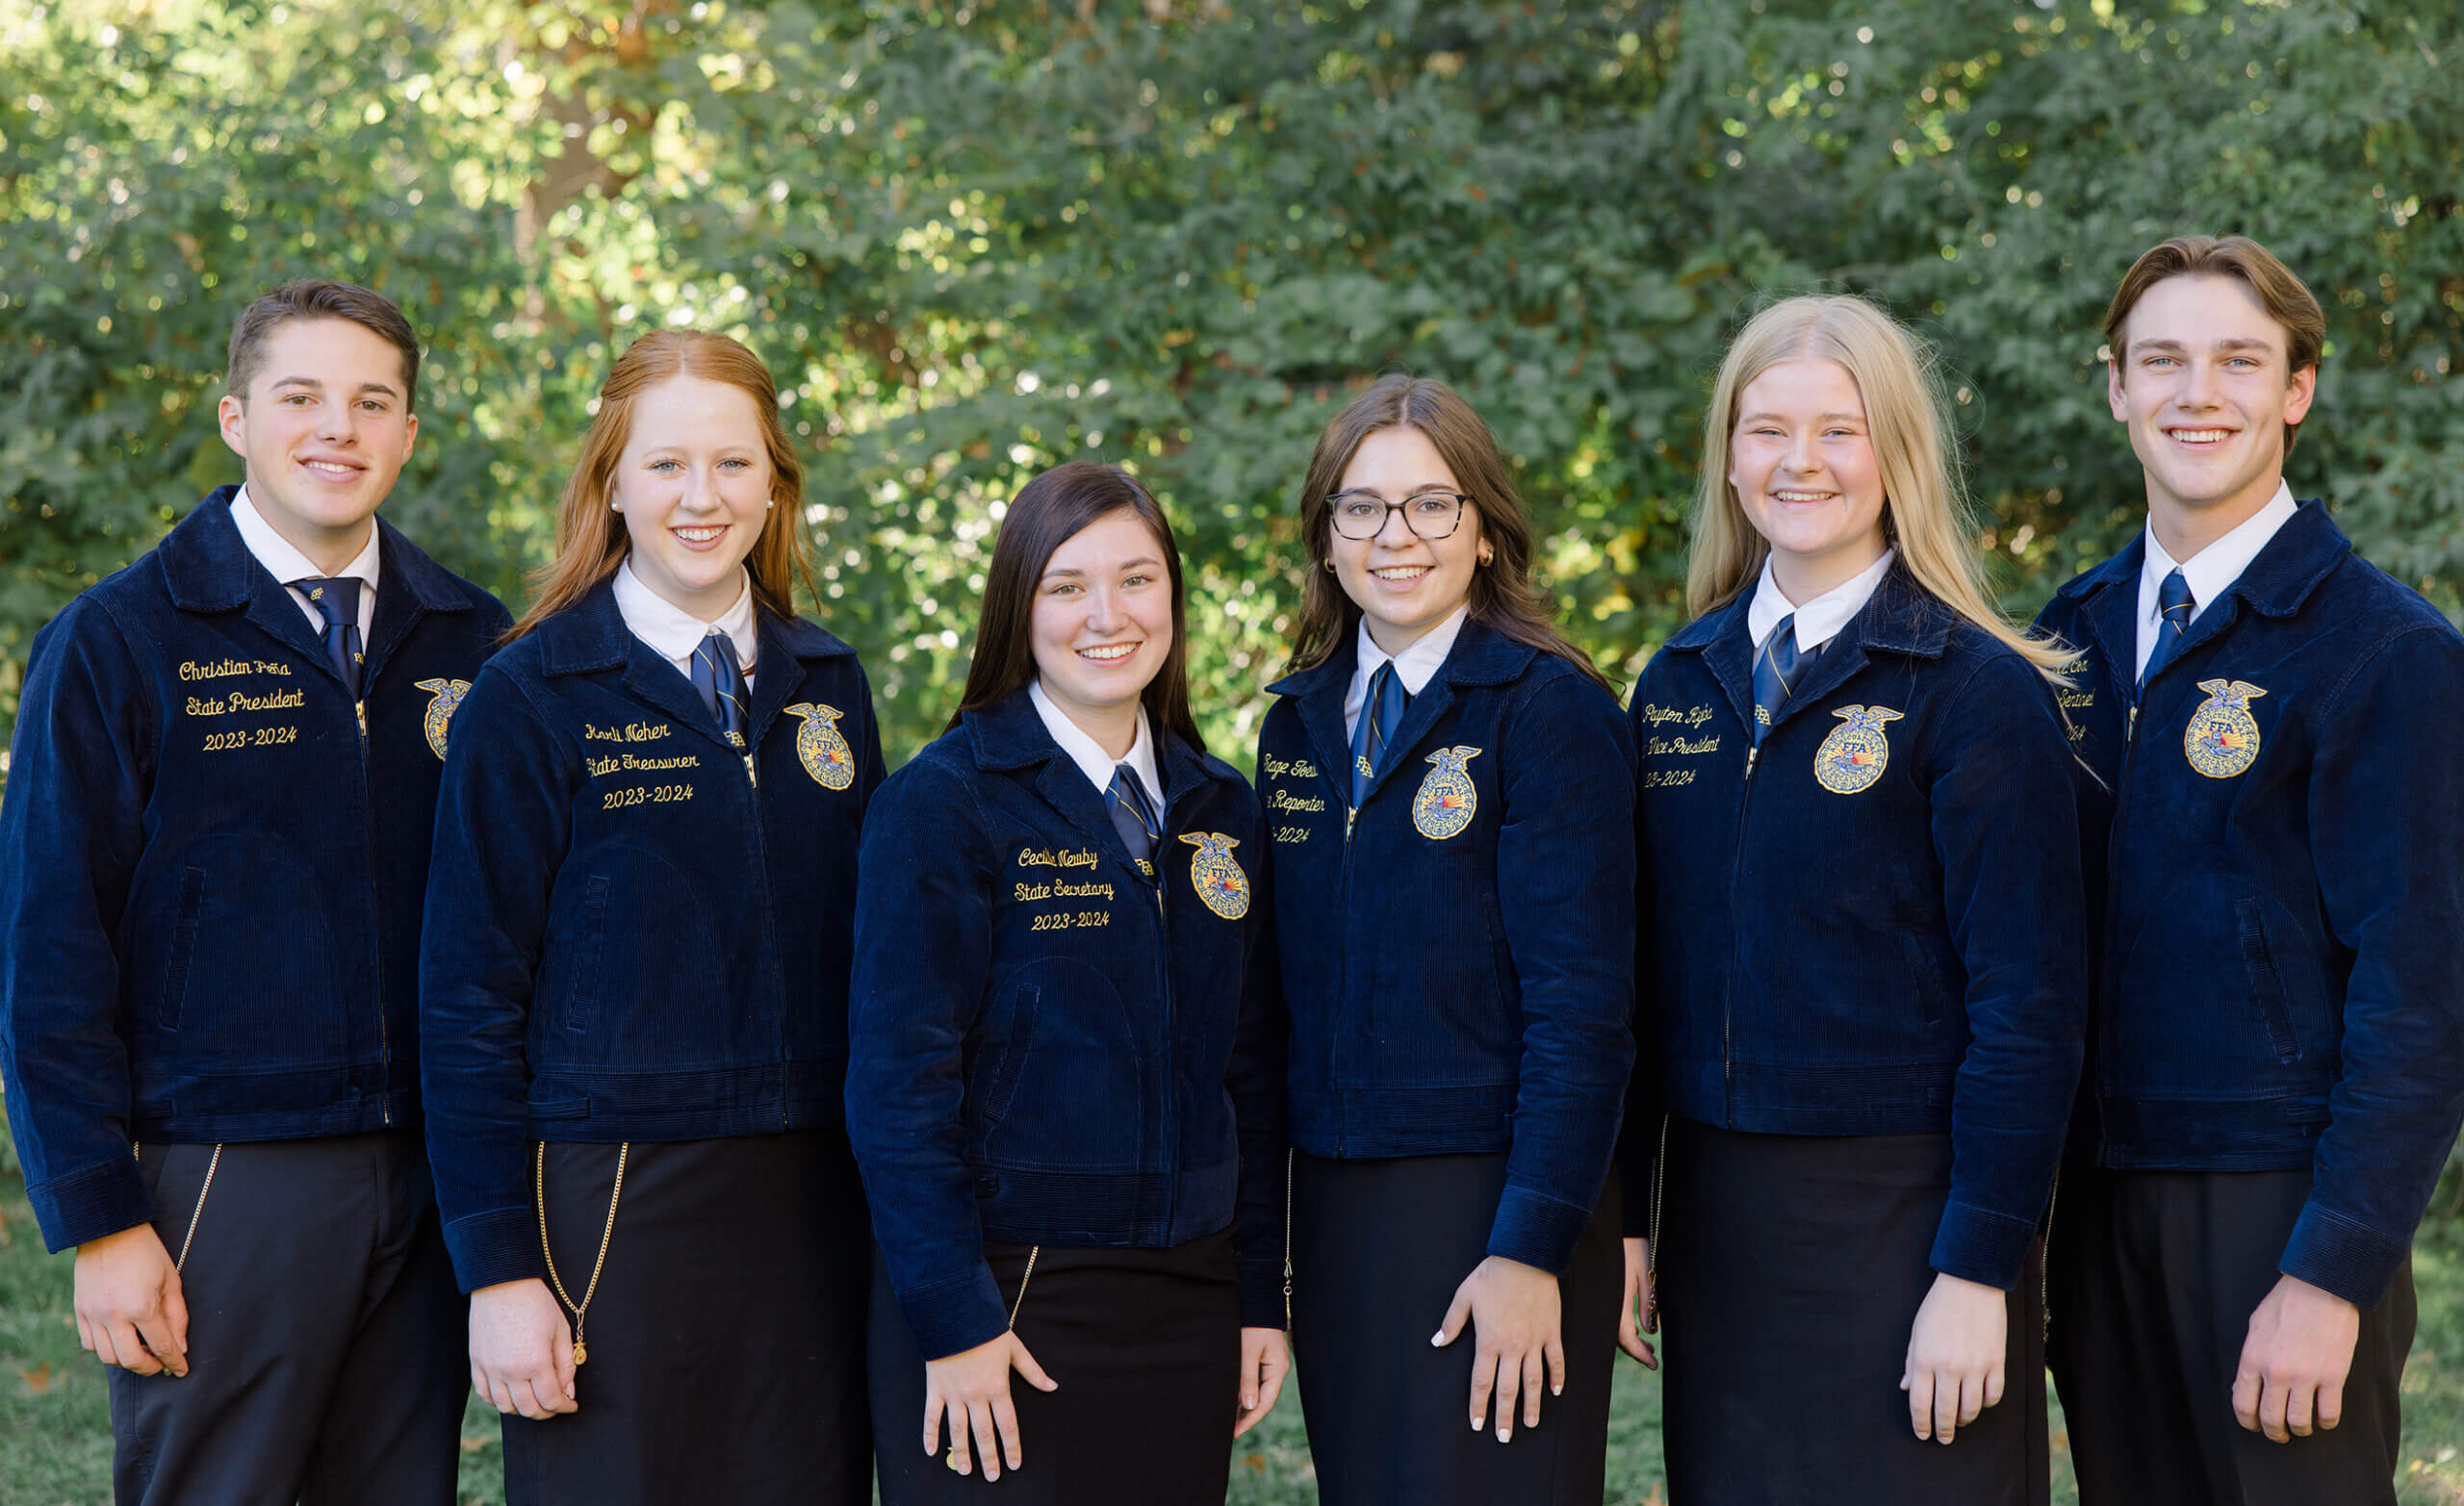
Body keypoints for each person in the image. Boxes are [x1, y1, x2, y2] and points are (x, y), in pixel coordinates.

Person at [0, 279, 505, 1503]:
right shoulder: (122, 639)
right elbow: (45, 945)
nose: (337, 427)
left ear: (407, 434)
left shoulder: (473, 641)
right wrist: (102, 1218)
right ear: (236, 418)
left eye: (371, 401)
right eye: (301, 397)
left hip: (431, 1168)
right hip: (225, 1170)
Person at [1618, 294, 2086, 1504]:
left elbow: (2027, 1010)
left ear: (1897, 453)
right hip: (1720, 1225)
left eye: (1839, 430)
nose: (1800, 462)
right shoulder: (1677, 683)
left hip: (1907, 1217)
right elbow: (1629, 980)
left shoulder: (1976, 692)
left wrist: (1980, 1272)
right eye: (1767, 430)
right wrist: (1627, 1218)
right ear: (1728, 455)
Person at [418, 330, 882, 1504]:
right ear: (611, 481)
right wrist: (500, 1271)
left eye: (732, 464)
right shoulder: (529, 695)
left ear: (773, 482)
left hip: (817, 1200)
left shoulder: (828, 680)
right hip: (614, 1201)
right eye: (667, 464)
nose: (701, 496)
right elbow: (466, 998)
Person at [2036, 234, 2464, 1506]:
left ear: (2297, 389)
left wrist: (2332, 1269)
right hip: (2099, 1210)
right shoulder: (2068, 637)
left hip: (2277, 1211)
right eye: (2161, 359)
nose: (2195, 392)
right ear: (2114, 385)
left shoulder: (2387, 653)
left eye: (2238, 360)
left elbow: (2425, 995)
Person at [848, 461, 1288, 1504]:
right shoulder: (944, 804)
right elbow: (897, 1087)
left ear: (1173, 600)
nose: (1107, 614)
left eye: (1137, 580)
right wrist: (954, 1321)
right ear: (1018, 606)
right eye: (1067, 584)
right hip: (1009, 1297)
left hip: (1188, 1298)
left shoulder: (1220, 809)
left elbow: (1253, 1069)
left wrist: (1259, 1294)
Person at [1256, 373, 1635, 1503]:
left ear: (1483, 531)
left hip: (1493, 1197)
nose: (1395, 535)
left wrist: (1528, 1248)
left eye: (1432, 503)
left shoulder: (1548, 707)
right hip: (1334, 1210)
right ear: (1326, 537)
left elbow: (1585, 1010)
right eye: (1361, 507)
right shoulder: (1297, 717)